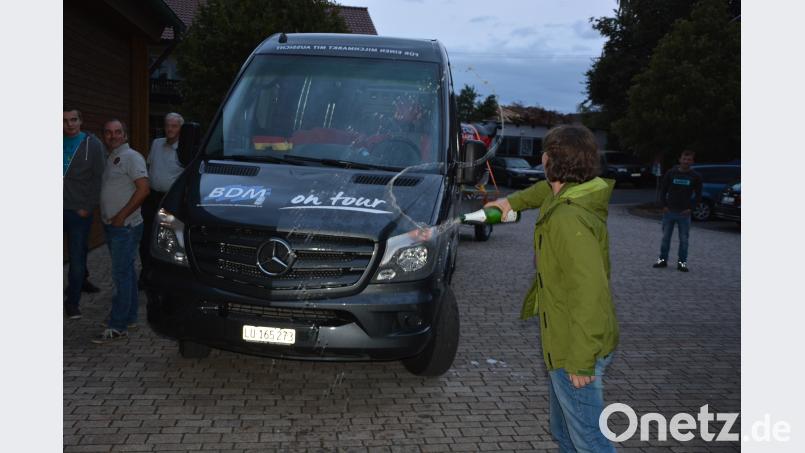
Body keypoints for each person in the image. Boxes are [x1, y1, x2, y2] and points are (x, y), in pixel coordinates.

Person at [485, 125, 619, 452]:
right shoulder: (569, 192)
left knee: (590, 441)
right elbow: (540, 192)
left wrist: (580, 361)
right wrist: (510, 203)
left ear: (547, 159)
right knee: (566, 434)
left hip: (574, 349)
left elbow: (591, 294)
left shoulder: (568, 218)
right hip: (563, 339)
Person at [93, 119, 149, 343]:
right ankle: (130, 317)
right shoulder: (111, 158)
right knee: (127, 272)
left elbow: (143, 190)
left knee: (121, 275)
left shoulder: (131, 157)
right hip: (115, 226)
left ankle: (118, 325)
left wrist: (121, 216)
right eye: (108, 132)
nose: (113, 135)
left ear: (125, 135)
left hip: (125, 226)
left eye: (117, 132)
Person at [63, 108, 105, 319]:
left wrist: (88, 206)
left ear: (81, 121)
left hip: (78, 210)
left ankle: (72, 302)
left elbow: (99, 178)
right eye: (64, 120)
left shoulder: (93, 145)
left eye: (73, 119)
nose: (69, 124)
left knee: (77, 258)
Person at [139, 112, 185, 286]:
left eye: (174, 126)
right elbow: (149, 165)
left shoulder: (184, 150)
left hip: (169, 200)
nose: (170, 129)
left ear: (180, 129)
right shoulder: (157, 143)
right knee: (145, 239)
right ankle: (146, 274)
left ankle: (166, 277)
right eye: (167, 125)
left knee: (167, 239)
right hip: (151, 197)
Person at [652, 150, 702, 272]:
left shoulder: (696, 176)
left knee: (684, 241)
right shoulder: (671, 173)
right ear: (680, 160)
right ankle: (662, 260)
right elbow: (663, 190)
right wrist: (664, 206)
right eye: (684, 159)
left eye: (689, 159)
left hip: (684, 214)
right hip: (669, 212)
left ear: (692, 161)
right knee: (665, 239)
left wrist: (690, 208)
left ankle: (682, 263)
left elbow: (698, 195)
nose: (686, 161)